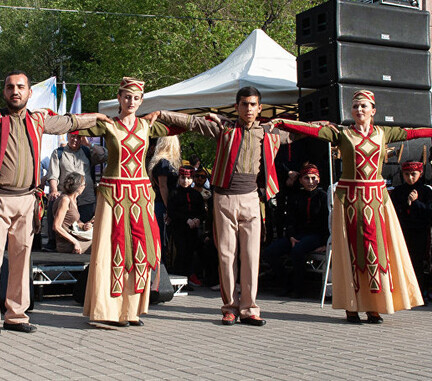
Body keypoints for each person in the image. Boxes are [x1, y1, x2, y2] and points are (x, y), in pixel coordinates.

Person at [0, 70, 110, 336]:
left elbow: (69, 121)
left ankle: (16, 315)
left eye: (20, 87)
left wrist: (99, 118)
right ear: (4, 92)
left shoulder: (39, 120)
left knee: (22, 259)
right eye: (10, 87)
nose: (15, 91)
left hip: (27, 199)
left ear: (29, 92)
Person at [272, 89, 429, 323]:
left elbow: (414, 132)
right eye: (355, 107)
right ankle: (351, 306)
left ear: (373, 111)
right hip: (350, 199)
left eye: (364, 106)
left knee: (376, 252)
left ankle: (374, 305)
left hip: (376, 200)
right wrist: (284, 122)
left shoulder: (384, 133)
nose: (359, 110)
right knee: (350, 252)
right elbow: (314, 130)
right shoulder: (343, 134)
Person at [149, 86, 296, 326]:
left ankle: (249, 308)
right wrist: (162, 113)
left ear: (260, 108)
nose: (248, 109)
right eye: (244, 104)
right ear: (236, 106)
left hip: (251, 198)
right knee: (227, 255)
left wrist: (331, 128)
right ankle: (229, 307)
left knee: (250, 256)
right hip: (224, 197)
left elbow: (298, 132)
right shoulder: (224, 128)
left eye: (253, 104)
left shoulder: (269, 131)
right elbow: (192, 122)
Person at [80, 77, 182, 326]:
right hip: (112, 194)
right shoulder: (108, 125)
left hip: (140, 194)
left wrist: (162, 112)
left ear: (142, 101)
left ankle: (130, 310)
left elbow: (180, 127)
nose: (131, 102)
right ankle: (106, 311)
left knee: (138, 251)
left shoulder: (147, 126)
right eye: (127, 97)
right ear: (119, 98)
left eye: (136, 98)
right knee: (109, 249)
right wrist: (94, 116)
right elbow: (73, 128)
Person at [262, 164, 329, 298]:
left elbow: (327, 221)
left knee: (297, 251)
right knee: (270, 252)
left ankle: (299, 287)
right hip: (297, 235)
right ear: (300, 180)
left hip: (315, 236)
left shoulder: (324, 197)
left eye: (313, 178)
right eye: (306, 178)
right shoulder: (296, 196)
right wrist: (291, 236)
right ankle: (285, 282)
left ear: (319, 179)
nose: (310, 182)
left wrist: (325, 242)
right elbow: (290, 219)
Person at [44, 132, 106, 250]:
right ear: (67, 136)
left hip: (86, 199)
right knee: (63, 228)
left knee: (83, 230)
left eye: (78, 137)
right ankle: (56, 244)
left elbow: (105, 155)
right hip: (67, 199)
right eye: (72, 136)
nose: (75, 140)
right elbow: (53, 176)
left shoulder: (87, 152)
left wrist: (89, 144)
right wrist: (54, 190)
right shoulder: (59, 153)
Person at [390, 161, 432, 304]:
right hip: (402, 231)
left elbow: (429, 212)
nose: (410, 178)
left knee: (417, 263)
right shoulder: (398, 191)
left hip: (419, 232)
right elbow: (393, 211)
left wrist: (415, 203)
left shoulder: (426, 191)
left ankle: (418, 294)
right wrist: (406, 204)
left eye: (413, 174)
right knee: (401, 262)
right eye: (407, 174)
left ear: (420, 174)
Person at [167, 166, 206, 285]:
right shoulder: (174, 193)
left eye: (188, 178)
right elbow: (172, 212)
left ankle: (188, 277)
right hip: (179, 228)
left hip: (193, 229)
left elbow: (202, 212)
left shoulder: (196, 195)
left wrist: (198, 219)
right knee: (181, 252)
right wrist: (186, 220)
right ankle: (179, 278)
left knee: (190, 253)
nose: (185, 181)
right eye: (183, 178)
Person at [147, 136, 181, 254]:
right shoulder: (163, 163)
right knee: (161, 238)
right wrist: (169, 208)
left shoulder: (162, 162)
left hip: (162, 204)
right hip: (162, 204)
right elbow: (163, 186)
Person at [51, 172, 93, 254]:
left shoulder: (74, 200)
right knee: (101, 243)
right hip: (66, 243)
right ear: (79, 187)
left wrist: (84, 226)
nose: (84, 187)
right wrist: (75, 242)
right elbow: (56, 226)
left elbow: (76, 221)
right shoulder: (65, 200)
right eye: (84, 185)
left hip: (75, 238)